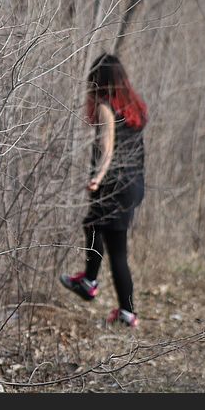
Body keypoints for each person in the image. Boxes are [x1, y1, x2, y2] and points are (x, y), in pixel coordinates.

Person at [60, 53, 147, 327]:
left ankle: (89, 282)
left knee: (94, 226)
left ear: (99, 82)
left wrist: (97, 178)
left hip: (113, 186)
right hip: (133, 185)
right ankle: (126, 313)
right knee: (116, 248)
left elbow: (107, 149)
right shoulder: (134, 108)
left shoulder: (106, 108)